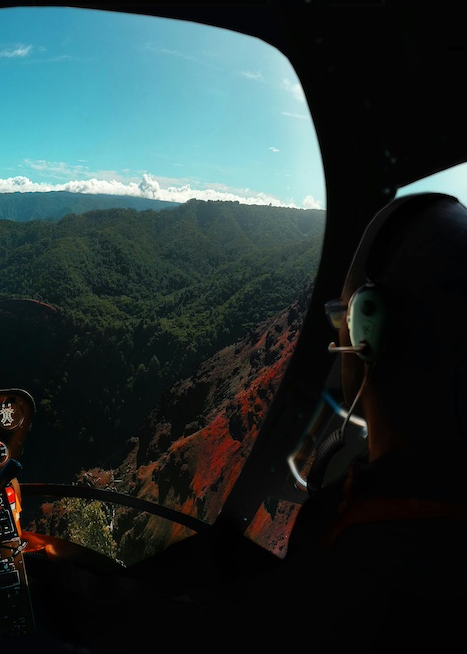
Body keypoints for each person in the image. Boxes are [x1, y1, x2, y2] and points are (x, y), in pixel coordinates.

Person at [24, 192, 467, 652]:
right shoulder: (413, 522)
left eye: (343, 315)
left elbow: (167, 631)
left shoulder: (362, 572)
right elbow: (250, 582)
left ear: (369, 324)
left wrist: (57, 568)